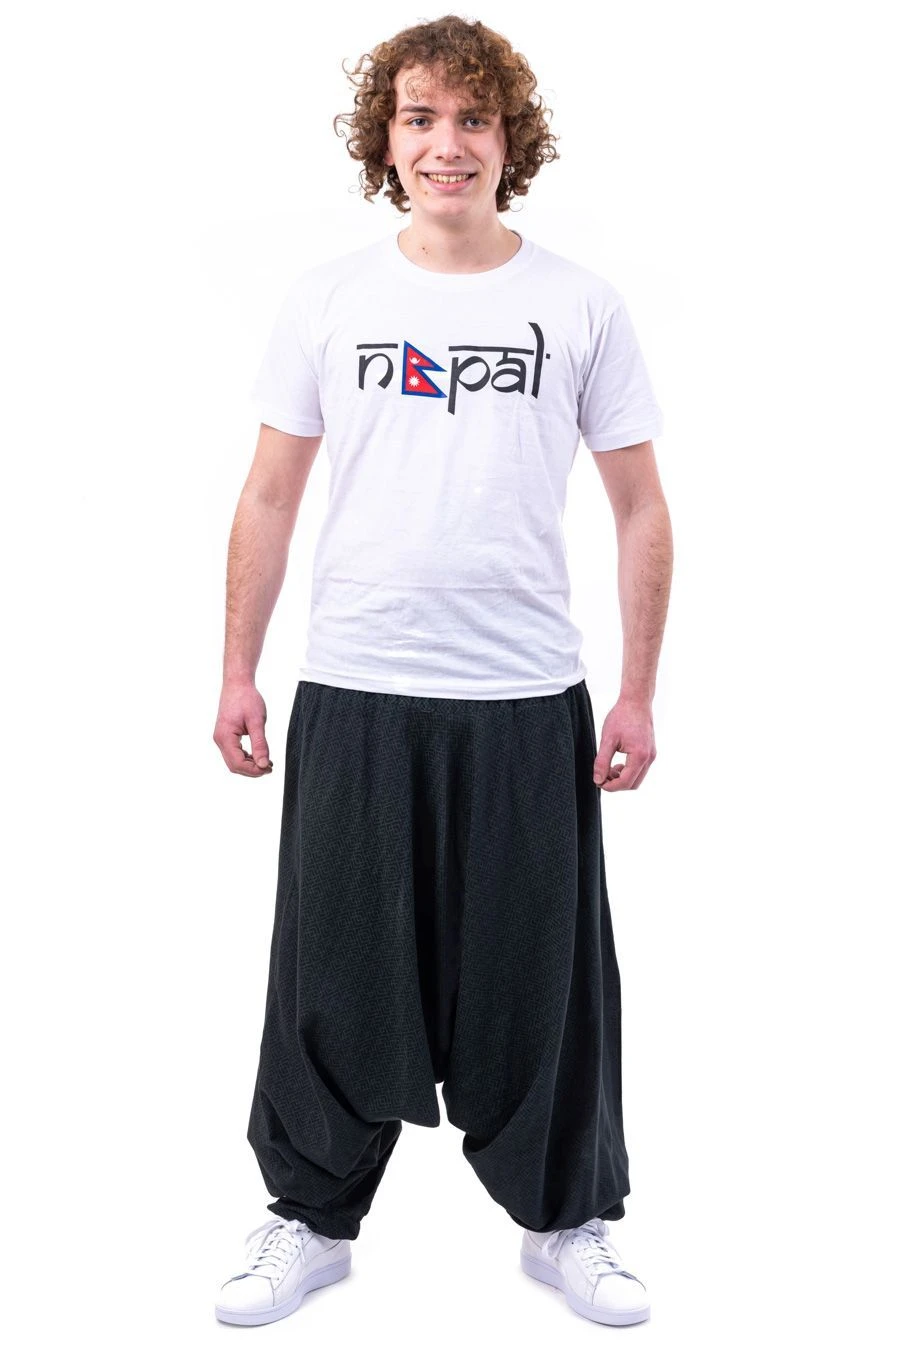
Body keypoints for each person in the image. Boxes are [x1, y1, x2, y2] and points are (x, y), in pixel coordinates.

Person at [211, 13, 673, 1331]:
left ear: (511, 139)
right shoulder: (329, 300)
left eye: (473, 118)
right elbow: (267, 496)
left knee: (542, 976)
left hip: (525, 697)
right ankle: (310, 1218)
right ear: (387, 140)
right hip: (358, 687)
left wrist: (637, 691)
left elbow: (641, 507)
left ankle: (566, 1221)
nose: (446, 143)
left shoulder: (580, 304)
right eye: (419, 118)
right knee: (332, 970)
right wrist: (238, 669)